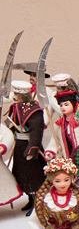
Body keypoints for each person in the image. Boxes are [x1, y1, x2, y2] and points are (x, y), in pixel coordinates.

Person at [4, 80, 47, 215]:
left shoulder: (34, 111)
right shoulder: (16, 107)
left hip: (29, 147)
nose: (14, 96)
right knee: (21, 173)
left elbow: (37, 131)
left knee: (33, 174)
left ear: (22, 96)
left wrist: (32, 148)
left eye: (17, 94)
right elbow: (13, 124)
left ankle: (37, 203)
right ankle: (30, 199)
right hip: (19, 146)